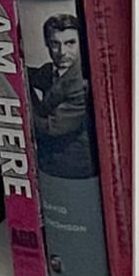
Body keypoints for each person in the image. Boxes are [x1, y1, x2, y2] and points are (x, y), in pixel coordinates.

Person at [27, 10, 94, 178]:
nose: (62, 52)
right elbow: (34, 74)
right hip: (47, 159)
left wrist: (25, 97)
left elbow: (52, 128)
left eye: (70, 43)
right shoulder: (50, 70)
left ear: (81, 43)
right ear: (47, 44)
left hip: (70, 167)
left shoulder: (82, 83)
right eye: (55, 44)